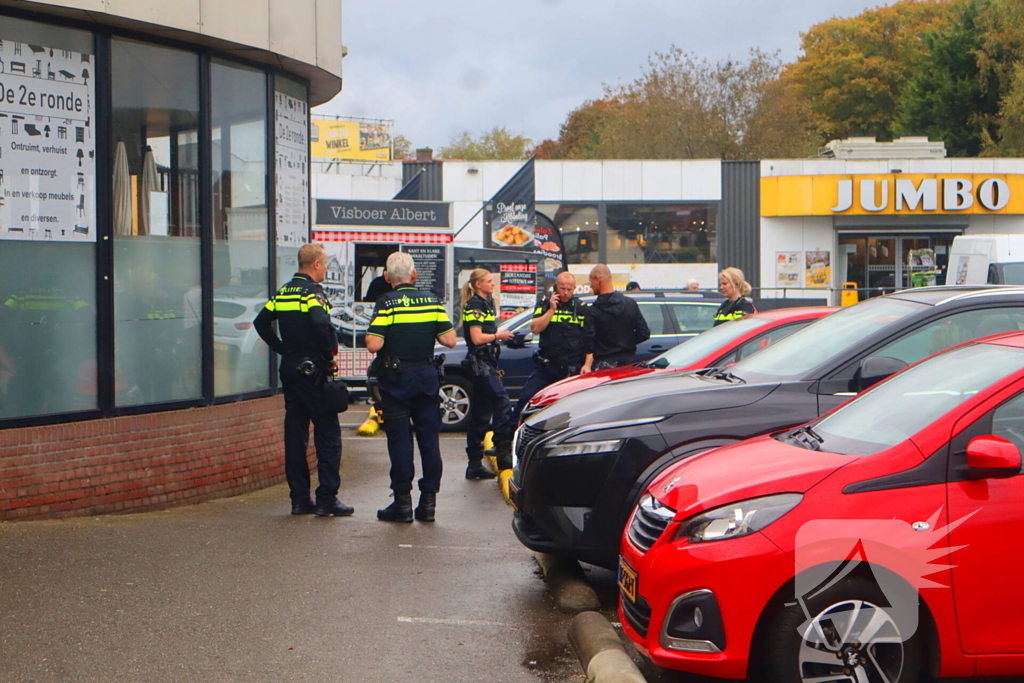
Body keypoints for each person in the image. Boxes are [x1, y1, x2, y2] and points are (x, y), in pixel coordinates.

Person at [254, 243, 353, 518]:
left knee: (295, 436)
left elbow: (261, 322)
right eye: (325, 264)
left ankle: (299, 500)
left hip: (290, 368)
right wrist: (329, 354)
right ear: (317, 264)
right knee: (327, 434)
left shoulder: (283, 292)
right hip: (314, 371)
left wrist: (281, 348)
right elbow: (320, 322)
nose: (325, 269)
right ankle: (327, 499)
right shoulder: (312, 292)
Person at [365, 252, 457, 523]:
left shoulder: (386, 302)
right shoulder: (431, 300)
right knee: (429, 440)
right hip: (427, 378)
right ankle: (428, 504)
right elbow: (450, 340)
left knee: (400, 442)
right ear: (414, 275)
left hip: (396, 380)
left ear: (387, 277)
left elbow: (373, 344)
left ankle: (402, 504)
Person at [510, 272, 593, 424]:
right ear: (555, 287)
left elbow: (589, 340)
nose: (565, 293)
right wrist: (551, 310)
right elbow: (535, 328)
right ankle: (510, 435)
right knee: (525, 401)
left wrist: (587, 364)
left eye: (569, 289)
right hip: (546, 367)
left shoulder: (581, 308)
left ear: (574, 288)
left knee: (570, 410)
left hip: (570, 368)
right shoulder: (544, 304)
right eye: (562, 288)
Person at [461, 268, 515, 478]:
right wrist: (497, 336)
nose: (493, 284)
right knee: (502, 401)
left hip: (488, 360)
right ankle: (502, 450)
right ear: (478, 285)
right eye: (489, 281)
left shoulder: (487, 303)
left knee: (481, 414)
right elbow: (476, 338)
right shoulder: (475, 305)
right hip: (480, 361)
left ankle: (474, 464)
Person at [586, 264, 650, 370]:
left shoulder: (593, 311)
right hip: (628, 362)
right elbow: (644, 333)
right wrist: (627, 342)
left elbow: (588, 343)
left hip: (604, 364)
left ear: (598, 280)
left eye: (591, 282)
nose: (591, 286)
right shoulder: (631, 303)